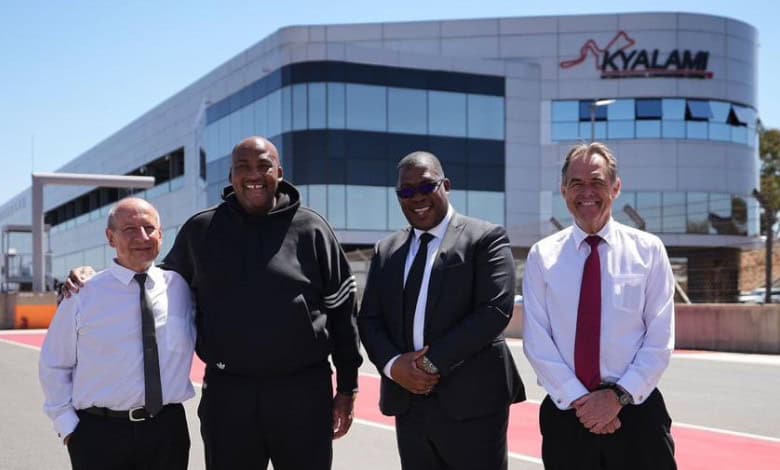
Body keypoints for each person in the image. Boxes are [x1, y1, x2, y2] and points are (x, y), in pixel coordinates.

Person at [62, 136, 363, 470]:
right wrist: (92, 277)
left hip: (302, 392)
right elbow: (150, 282)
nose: (254, 174)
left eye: (264, 166)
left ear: (279, 172)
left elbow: (343, 312)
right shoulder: (202, 230)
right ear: (231, 175)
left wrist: (347, 387)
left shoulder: (312, 229)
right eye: (243, 167)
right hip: (228, 395)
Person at [358, 151, 525, 470]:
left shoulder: (485, 238)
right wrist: (395, 367)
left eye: (426, 186)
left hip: (473, 403)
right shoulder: (386, 250)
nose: (417, 197)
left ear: (446, 185)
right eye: (406, 191)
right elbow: (369, 320)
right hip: (408, 401)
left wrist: (428, 364)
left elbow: (494, 310)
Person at [522, 142, 677, 469]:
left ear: (616, 188)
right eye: (576, 183)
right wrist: (583, 402)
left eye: (597, 182)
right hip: (568, 415)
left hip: (636, 413)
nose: (587, 192)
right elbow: (537, 341)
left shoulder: (648, 251)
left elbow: (659, 338)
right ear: (563, 190)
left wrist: (616, 398)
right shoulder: (542, 256)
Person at [40, 197, 196, 470]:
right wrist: (68, 428)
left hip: (167, 432)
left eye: (149, 228)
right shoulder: (83, 293)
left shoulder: (181, 287)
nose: (142, 237)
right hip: (99, 435)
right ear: (110, 237)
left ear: (161, 235)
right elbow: (54, 363)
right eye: (130, 229)